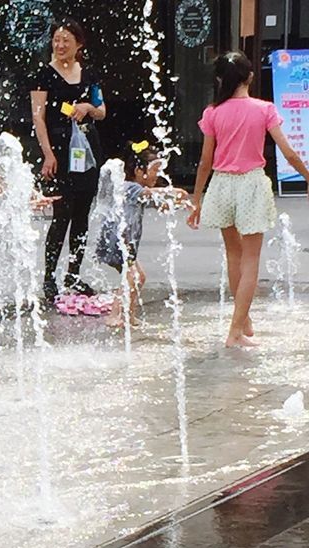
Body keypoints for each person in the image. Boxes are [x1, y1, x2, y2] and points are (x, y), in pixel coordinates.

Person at [188, 51, 309, 348]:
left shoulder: (213, 112)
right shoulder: (264, 109)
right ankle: (234, 332)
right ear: (250, 77)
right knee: (252, 260)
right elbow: (289, 152)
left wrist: (197, 199)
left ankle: (243, 321)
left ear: (220, 79)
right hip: (252, 183)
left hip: (222, 184)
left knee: (234, 255)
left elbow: (205, 161)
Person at [30, 20, 107, 303]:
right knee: (61, 213)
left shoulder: (89, 74)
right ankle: (49, 276)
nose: (60, 45)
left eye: (66, 40)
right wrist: (48, 153)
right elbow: (38, 117)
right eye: (56, 40)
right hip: (60, 149)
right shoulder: (44, 75)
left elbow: (102, 111)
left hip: (87, 149)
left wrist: (87, 108)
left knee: (82, 214)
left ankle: (73, 273)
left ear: (79, 45)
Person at [96, 143, 187, 330]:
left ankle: (128, 315)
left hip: (126, 243)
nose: (158, 175)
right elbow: (148, 194)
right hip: (116, 242)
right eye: (154, 170)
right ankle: (115, 315)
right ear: (138, 171)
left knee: (137, 276)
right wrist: (174, 192)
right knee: (132, 276)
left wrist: (171, 204)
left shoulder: (135, 190)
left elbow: (155, 202)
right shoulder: (128, 187)